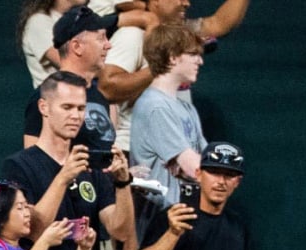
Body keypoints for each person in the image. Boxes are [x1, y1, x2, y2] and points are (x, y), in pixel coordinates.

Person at [101, 0, 253, 152]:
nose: (186, 3)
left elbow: (219, 23)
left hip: (169, 152)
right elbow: (107, 87)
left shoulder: (179, 34)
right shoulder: (132, 35)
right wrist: (160, 65)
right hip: (133, 153)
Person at [128, 23, 207, 201]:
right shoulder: (155, 106)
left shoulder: (186, 107)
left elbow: (206, 160)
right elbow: (195, 168)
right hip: (160, 216)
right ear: (172, 58)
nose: (200, 61)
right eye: (193, 54)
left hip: (183, 207)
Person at [20, 6, 118, 147]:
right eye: (101, 38)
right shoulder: (48, 97)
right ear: (77, 47)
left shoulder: (100, 97)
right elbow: (31, 164)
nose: (108, 45)